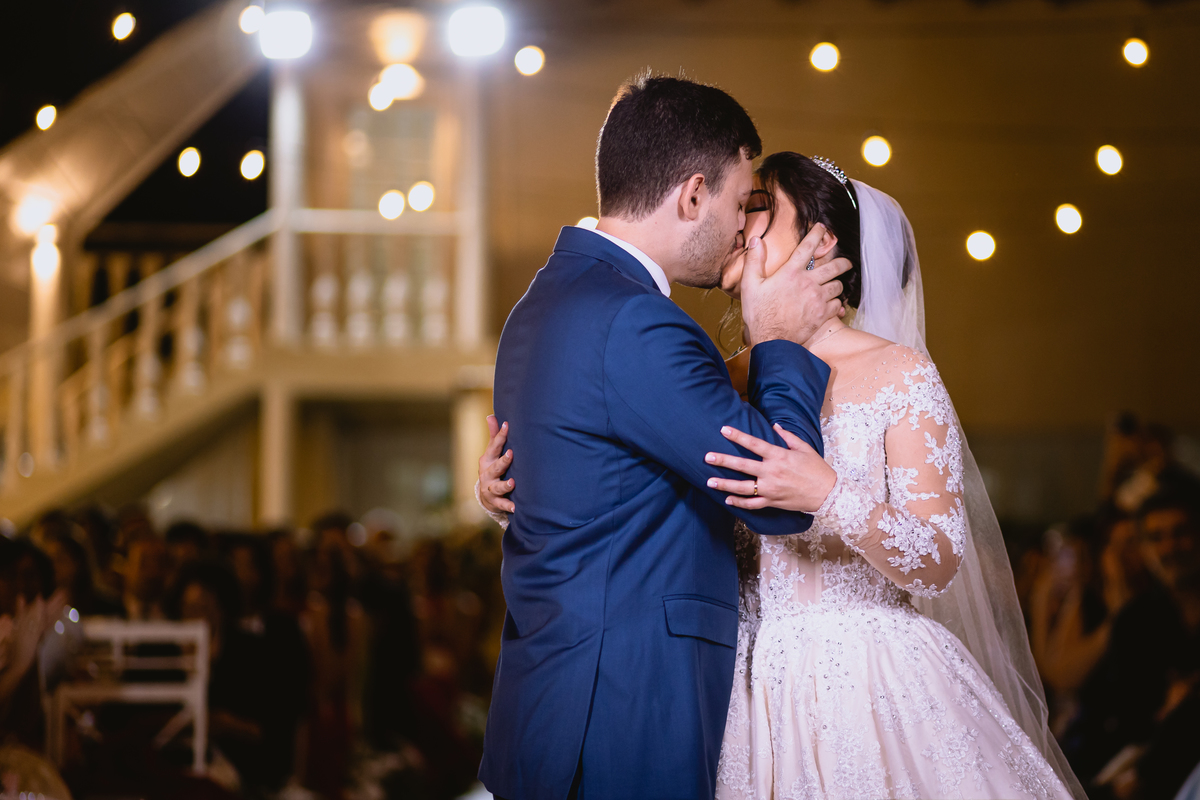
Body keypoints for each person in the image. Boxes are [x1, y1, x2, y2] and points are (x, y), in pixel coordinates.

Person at [481, 150, 1085, 798]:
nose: (739, 222)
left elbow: (936, 559)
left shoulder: (897, 373)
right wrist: (517, 485)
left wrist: (828, 494)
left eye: (760, 209)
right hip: (730, 686)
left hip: (867, 686)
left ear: (820, 243)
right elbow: (633, 495)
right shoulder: (715, 375)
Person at [476, 75, 850, 800]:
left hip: (554, 704)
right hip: (622, 713)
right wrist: (780, 339)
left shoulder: (543, 301)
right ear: (691, 195)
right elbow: (778, 496)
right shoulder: (638, 323)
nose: (745, 228)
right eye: (743, 202)